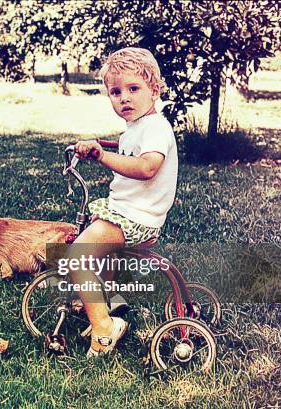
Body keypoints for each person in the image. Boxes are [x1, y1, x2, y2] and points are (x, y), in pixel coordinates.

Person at [68, 47, 178, 357]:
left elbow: (146, 167)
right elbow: (128, 146)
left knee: (77, 256)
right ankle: (109, 302)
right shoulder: (139, 126)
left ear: (154, 90)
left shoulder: (156, 127)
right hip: (129, 211)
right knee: (95, 247)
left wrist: (102, 156)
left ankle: (105, 327)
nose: (124, 98)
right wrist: (100, 145)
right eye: (115, 92)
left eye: (133, 88)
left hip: (137, 217)